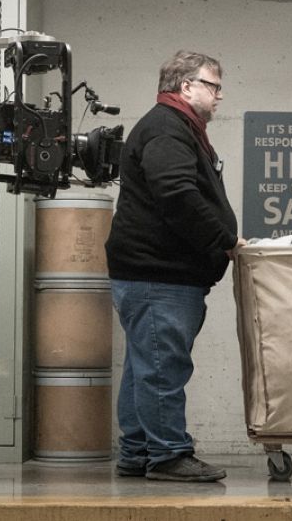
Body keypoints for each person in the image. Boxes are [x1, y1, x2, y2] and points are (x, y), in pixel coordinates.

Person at [105, 50, 246, 482]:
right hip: (159, 274)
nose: (219, 96)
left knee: (144, 365)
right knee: (163, 366)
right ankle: (167, 455)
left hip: (152, 273)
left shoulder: (174, 127)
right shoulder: (168, 129)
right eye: (213, 85)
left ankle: (138, 450)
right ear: (186, 86)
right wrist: (224, 240)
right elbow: (177, 195)